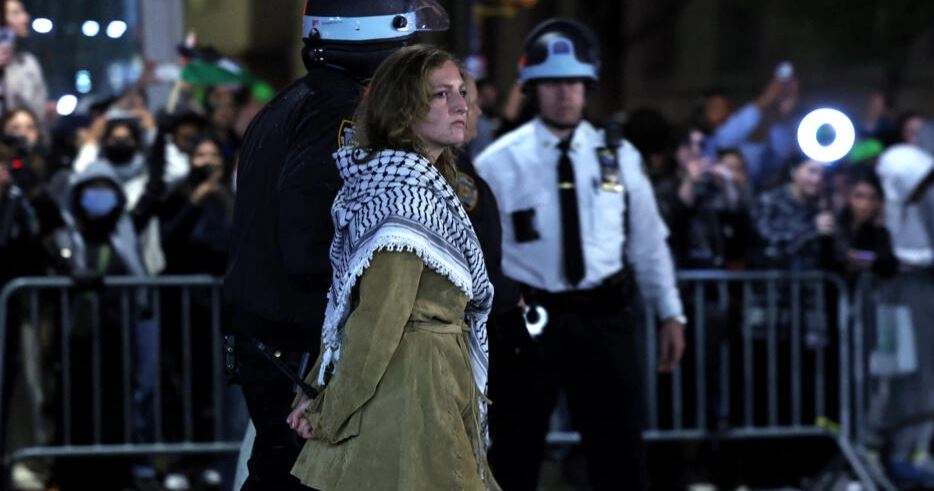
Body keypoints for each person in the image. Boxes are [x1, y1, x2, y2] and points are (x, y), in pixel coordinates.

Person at [224, 2, 449, 489]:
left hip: (275, 338)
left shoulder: (293, 102)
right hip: (299, 342)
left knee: (283, 472)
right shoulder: (341, 112)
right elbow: (309, 239)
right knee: (304, 475)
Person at [474, 18, 686, 491]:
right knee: (514, 451)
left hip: (603, 317)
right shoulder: (498, 164)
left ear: (588, 86)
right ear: (532, 89)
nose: (564, 93)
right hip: (528, 321)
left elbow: (648, 242)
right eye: (552, 83)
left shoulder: (619, 156)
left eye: (573, 82)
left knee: (619, 452)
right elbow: (482, 254)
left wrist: (670, 312)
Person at [285, 44, 498, 491]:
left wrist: (320, 393)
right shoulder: (405, 197)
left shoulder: (410, 183)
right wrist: (327, 408)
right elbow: (375, 319)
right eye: (441, 94)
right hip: (409, 393)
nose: (461, 105)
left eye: (461, 92)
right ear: (403, 108)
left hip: (423, 381)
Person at [0, 0, 47, 120]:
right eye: (16, 13)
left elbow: (39, 115)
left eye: (23, 12)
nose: (25, 18)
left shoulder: (28, 63)